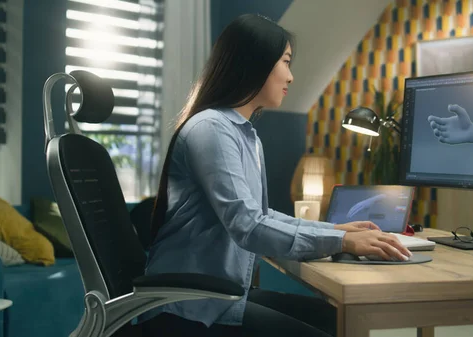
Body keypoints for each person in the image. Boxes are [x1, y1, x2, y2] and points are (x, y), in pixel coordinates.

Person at [139, 13, 412, 337]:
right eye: (285, 62)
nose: (291, 76)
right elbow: (248, 225)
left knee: (332, 319)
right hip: (189, 307)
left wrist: (335, 229)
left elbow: (260, 215)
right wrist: (341, 240)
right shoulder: (210, 129)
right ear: (255, 64)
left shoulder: (244, 135)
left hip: (219, 298)